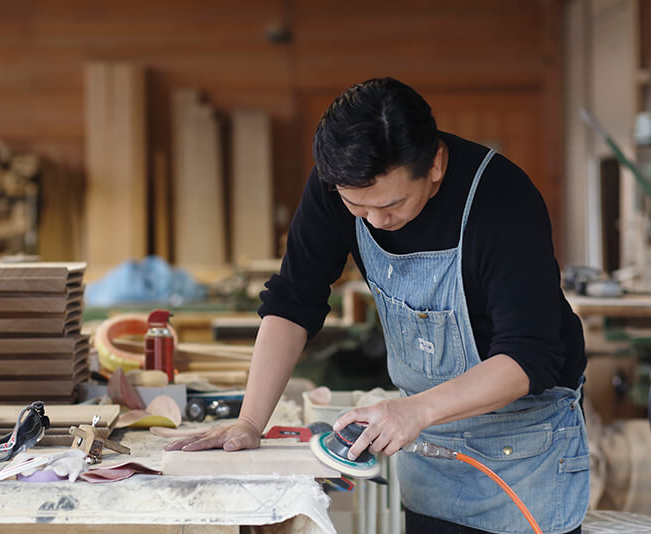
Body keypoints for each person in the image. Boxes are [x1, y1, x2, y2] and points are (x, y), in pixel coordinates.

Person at [165, 77, 588, 534]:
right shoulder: (338, 185)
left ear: (436, 165)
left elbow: (530, 356)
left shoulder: (502, 199)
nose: (376, 222)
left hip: (522, 448)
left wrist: (415, 411)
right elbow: (293, 300)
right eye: (357, 207)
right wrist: (249, 421)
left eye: (392, 204)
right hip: (430, 443)